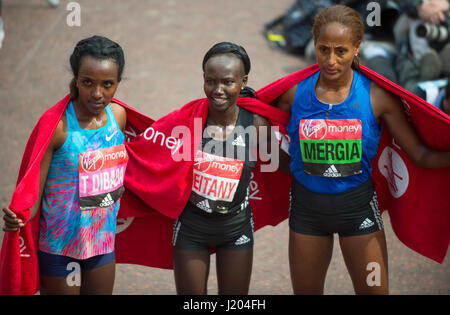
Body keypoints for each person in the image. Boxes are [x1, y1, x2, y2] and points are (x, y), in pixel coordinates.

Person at [275, 5, 450, 294]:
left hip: (359, 216)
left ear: (357, 48)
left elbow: (420, 155)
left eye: (341, 51)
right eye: (323, 49)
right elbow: (276, 145)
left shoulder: (376, 97)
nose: (331, 60)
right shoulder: (293, 94)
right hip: (307, 215)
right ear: (314, 45)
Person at [2, 35, 128, 295]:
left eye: (107, 84)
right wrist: (19, 217)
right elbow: (33, 194)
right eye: (87, 83)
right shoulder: (57, 128)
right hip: (59, 249)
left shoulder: (118, 117)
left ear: (117, 83)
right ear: (76, 77)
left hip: (101, 244)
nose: (97, 93)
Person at [172, 42, 273, 295]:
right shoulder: (188, 122)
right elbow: (154, 155)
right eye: (210, 81)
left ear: (242, 81)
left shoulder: (257, 125)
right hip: (191, 228)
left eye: (227, 82)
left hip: (236, 228)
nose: (217, 90)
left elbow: (285, 168)